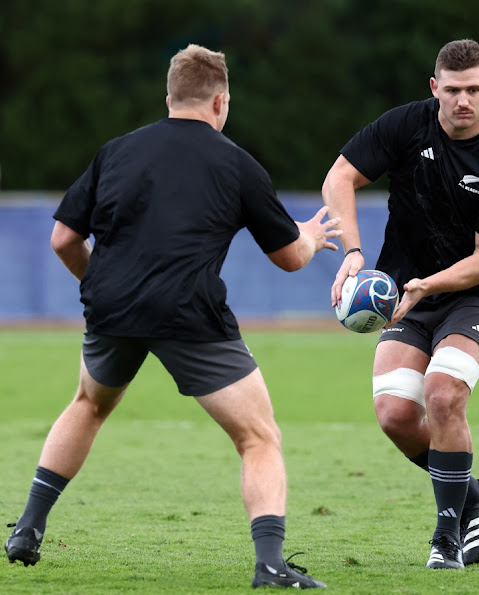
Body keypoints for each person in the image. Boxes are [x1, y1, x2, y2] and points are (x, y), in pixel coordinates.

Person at [4, 44, 336, 590]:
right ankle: (270, 565)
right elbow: (291, 258)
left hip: (111, 310)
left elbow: (63, 238)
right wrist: (312, 234)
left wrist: (102, 285)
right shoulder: (236, 162)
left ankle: (28, 528)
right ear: (221, 102)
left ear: (169, 98)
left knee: (88, 405)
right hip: (189, 314)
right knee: (258, 437)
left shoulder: (116, 152)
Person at [322, 39, 479, 569]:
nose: (463, 101)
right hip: (404, 293)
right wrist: (352, 254)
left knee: (442, 395)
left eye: (473, 91)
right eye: (452, 90)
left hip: (472, 297)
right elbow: (340, 177)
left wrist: (426, 285)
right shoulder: (405, 125)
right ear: (435, 88)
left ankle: (446, 535)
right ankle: (476, 495)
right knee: (395, 414)